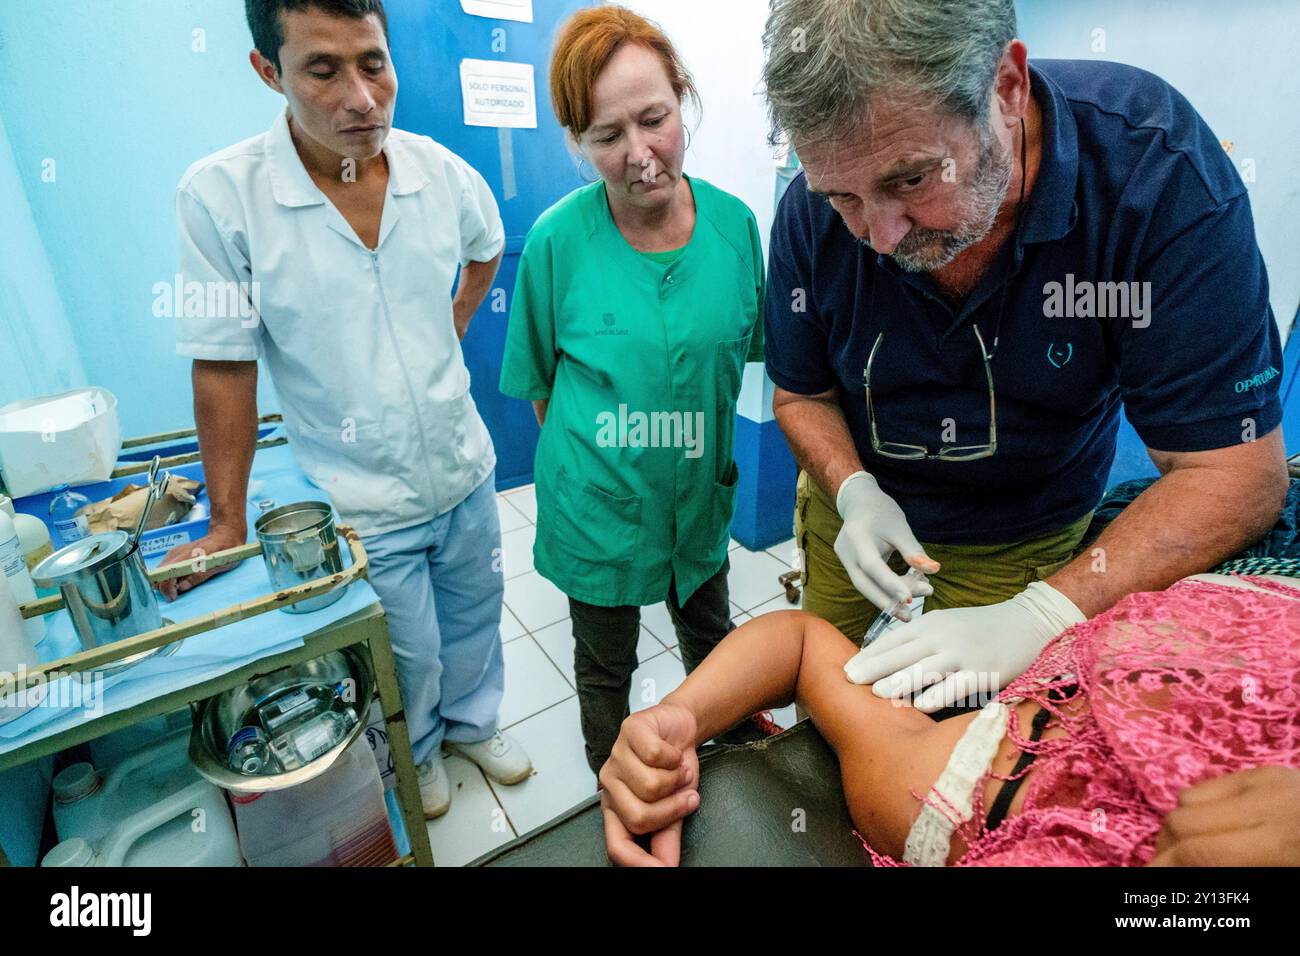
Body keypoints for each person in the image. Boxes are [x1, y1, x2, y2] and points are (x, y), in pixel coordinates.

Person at [759, 0, 1288, 712]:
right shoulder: (809, 211)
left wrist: (1042, 614)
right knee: (831, 715)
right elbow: (800, 394)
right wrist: (851, 488)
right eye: (843, 197)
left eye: (911, 180)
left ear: (1008, 88)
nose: (879, 237)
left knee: (953, 749)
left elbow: (1234, 472)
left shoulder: (1156, 177)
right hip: (853, 531)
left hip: (1025, 543)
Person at [162, 0, 530, 818]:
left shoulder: (438, 170)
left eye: (373, 62)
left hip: (463, 464)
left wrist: (455, 321)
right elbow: (223, 362)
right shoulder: (222, 198)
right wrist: (224, 524)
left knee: (473, 619)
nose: (362, 97)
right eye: (323, 70)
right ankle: (422, 748)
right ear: (269, 73)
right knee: (410, 649)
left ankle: (475, 726)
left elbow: (487, 244)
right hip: (361, 490)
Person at [597, 569, 1300, 866]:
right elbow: (805, 644)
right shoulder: (991, 780)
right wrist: (677, 716)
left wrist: (677, 712)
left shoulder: (964, 799)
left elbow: (802, 645)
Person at [499, 6, 768, 775]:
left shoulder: (734, 227)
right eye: (607, 137)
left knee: (714, 649)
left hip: (701, 505)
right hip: (598, 514)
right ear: (576, 144)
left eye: (655, 119)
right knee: (605, 669)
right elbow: (543, 391)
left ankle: (739, 784)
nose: (641, 155)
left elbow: (737, 362)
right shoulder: (557, 241)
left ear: (682, 99)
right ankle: (613, 795)